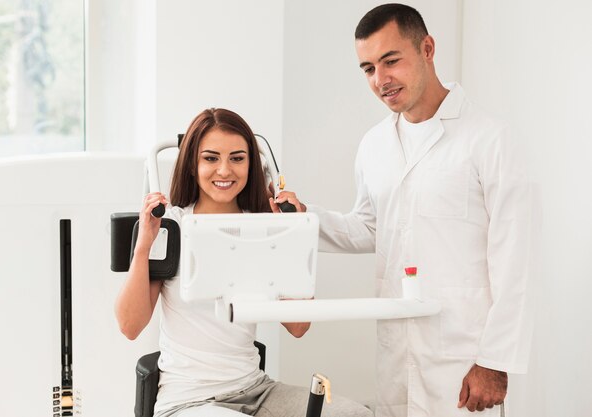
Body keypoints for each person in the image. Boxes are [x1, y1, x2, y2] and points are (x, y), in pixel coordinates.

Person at [272, 4, 538, 417]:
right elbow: (368, 228)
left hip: (463, 356)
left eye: (390, 61)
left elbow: (515, 260)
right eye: (367, 68)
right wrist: (306, 218)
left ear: (427, 48)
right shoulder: (374, 145)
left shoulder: (490, 140)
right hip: (396, 350)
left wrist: (495, 361)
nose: (380, 80)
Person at [115, 108, 373, 417]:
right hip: (189, 400)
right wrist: (143, 247)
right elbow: (130, 326)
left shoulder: (262, 230)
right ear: (192, 165)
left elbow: (299, 325)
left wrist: (288, 234)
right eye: (211, 158)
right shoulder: (172, 226)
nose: (224, 171)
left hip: (257, 390)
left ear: (251, 165)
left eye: (237, 158)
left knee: (358, 415)